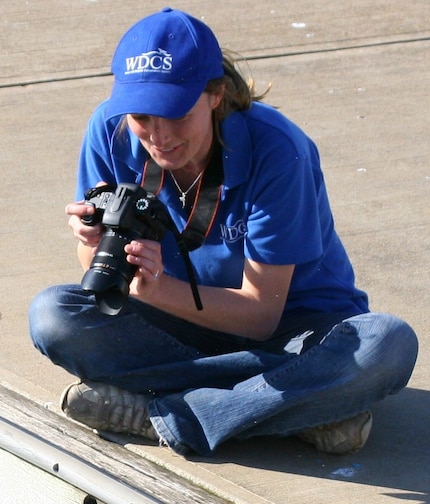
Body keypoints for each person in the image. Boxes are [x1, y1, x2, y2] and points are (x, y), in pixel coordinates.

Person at [28, 7, 418, 456]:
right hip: (185, 326)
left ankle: (170, 416)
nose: (159, 135)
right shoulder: (111, 129)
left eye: (175, 114)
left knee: (385, 345)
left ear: (215, 94)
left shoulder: (278, 149)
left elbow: (259, 316)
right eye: (142, 116)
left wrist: (156, 290)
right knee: (53, 315)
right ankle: (293, 407)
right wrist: (94, 244)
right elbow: (100, 278)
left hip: (292, 333)